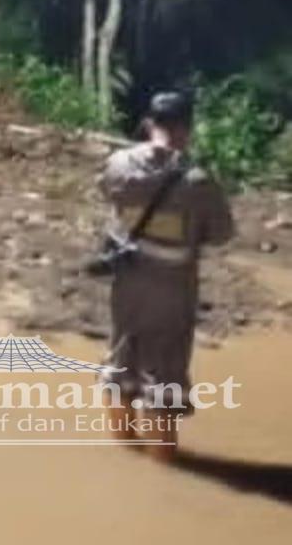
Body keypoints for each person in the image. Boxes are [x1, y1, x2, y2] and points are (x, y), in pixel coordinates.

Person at [96, 91, 235, 459]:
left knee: (121, 359)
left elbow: (108, 196)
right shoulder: (198, 182)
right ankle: (163, 463)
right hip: (173, 286)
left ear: (148, 123)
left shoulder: (118, 164)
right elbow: (221, 234)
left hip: (127, 279)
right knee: (165, 374)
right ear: (187, 129)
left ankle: (125, 449)